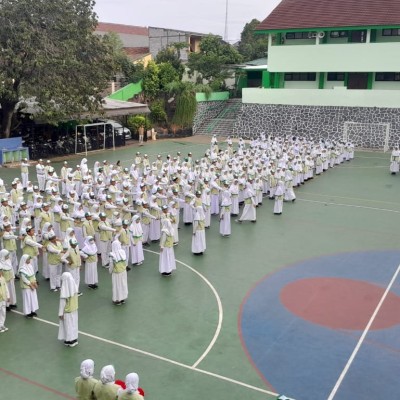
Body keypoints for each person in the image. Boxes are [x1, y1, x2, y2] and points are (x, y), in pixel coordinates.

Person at [58, 272, 79, 347]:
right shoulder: (75, 288)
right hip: (73, 310)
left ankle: (70, 339)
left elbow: (62, 304)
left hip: (68, 311)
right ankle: (71, 339)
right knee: (72, 324)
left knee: (69, 325)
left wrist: (60, 313)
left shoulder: (64, 290)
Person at [109, 239, 128, 305]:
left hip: (116, 273)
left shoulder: (112, 255)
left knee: (117, 286)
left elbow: (111, 265)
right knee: (123, 284)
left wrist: (110, 272)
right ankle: (122, 298)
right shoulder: (122, 252)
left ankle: (117, 299)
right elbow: (126, 261)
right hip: (123, 271)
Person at [0, 264, 10, 333]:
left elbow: (6, 287)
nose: (2, 272)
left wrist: (8, 296)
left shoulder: (2, 278)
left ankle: (1, 325)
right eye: (1, 271)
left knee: (3, 312)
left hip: (3, 299)